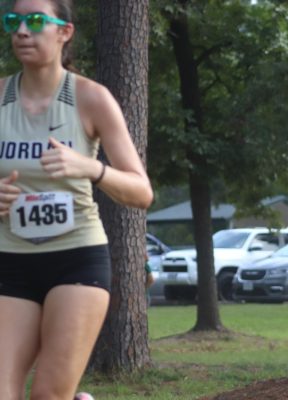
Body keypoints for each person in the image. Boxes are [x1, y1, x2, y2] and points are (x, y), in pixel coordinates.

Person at [0, 1, 153, 399]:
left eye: (35, 21)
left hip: (76, 258)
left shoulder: (91, 98)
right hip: (9, 259)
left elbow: (142, 191)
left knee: (48, 394)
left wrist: (90, 168)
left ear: (64, 31)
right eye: (13, 21)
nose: (21, 31)